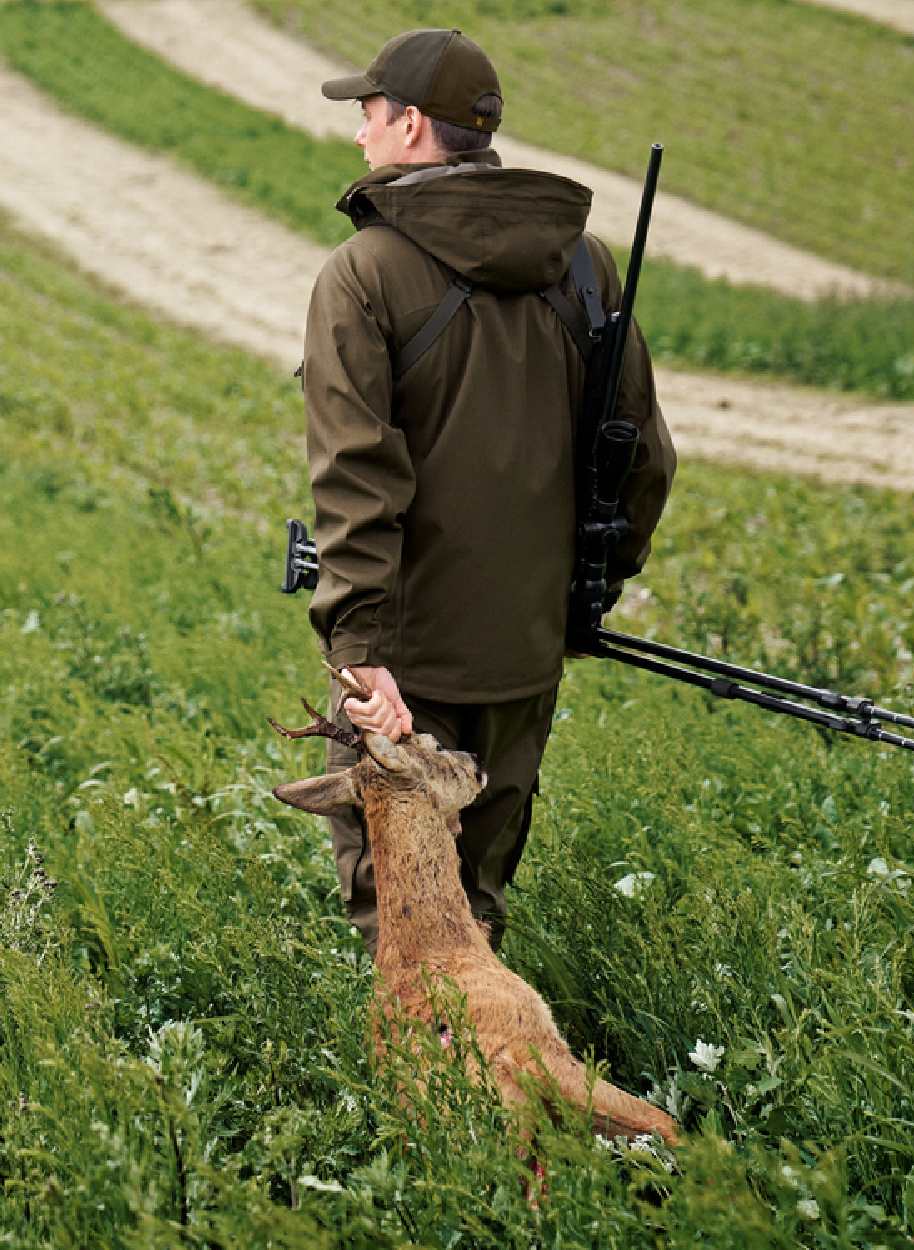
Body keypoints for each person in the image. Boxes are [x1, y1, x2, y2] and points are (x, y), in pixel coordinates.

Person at [301, 27, 676, 956]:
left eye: (369, 112)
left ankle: (438, 1058)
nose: (359, 132)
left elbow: (356, 475)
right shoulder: (584, 266)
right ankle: (491, 1047)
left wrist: (359, 650)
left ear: (412, 125)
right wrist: (581, 598)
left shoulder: (365, 273)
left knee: (406, 930)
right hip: (525, 657)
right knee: (474, 914)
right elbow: (642, 458)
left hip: (405, 666)